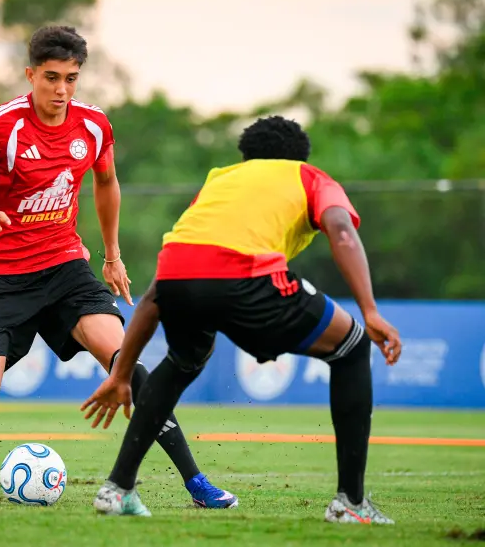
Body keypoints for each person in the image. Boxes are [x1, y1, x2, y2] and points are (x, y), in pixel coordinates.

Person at [0, 25, 234, 508]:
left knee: (127, 366)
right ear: (30, 74)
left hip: (66, 267)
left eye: (71, 78)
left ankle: (197, 483)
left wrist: (111, 256)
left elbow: (107, 182)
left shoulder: (93, 125)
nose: (62, 90)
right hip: (2, 278)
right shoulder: (2, 124)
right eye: (51, 78)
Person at [82, 115, 403, 523]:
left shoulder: (219, 180)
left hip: (177, 275)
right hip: (247, 277)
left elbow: (155, 296)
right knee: (352, 346)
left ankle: (118, 489)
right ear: (298, 157)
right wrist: (370, 311)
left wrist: (121, 374)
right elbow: (341, 230)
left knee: (182, 361)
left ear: (246, 155)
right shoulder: (308, 176)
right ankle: (351, 505)